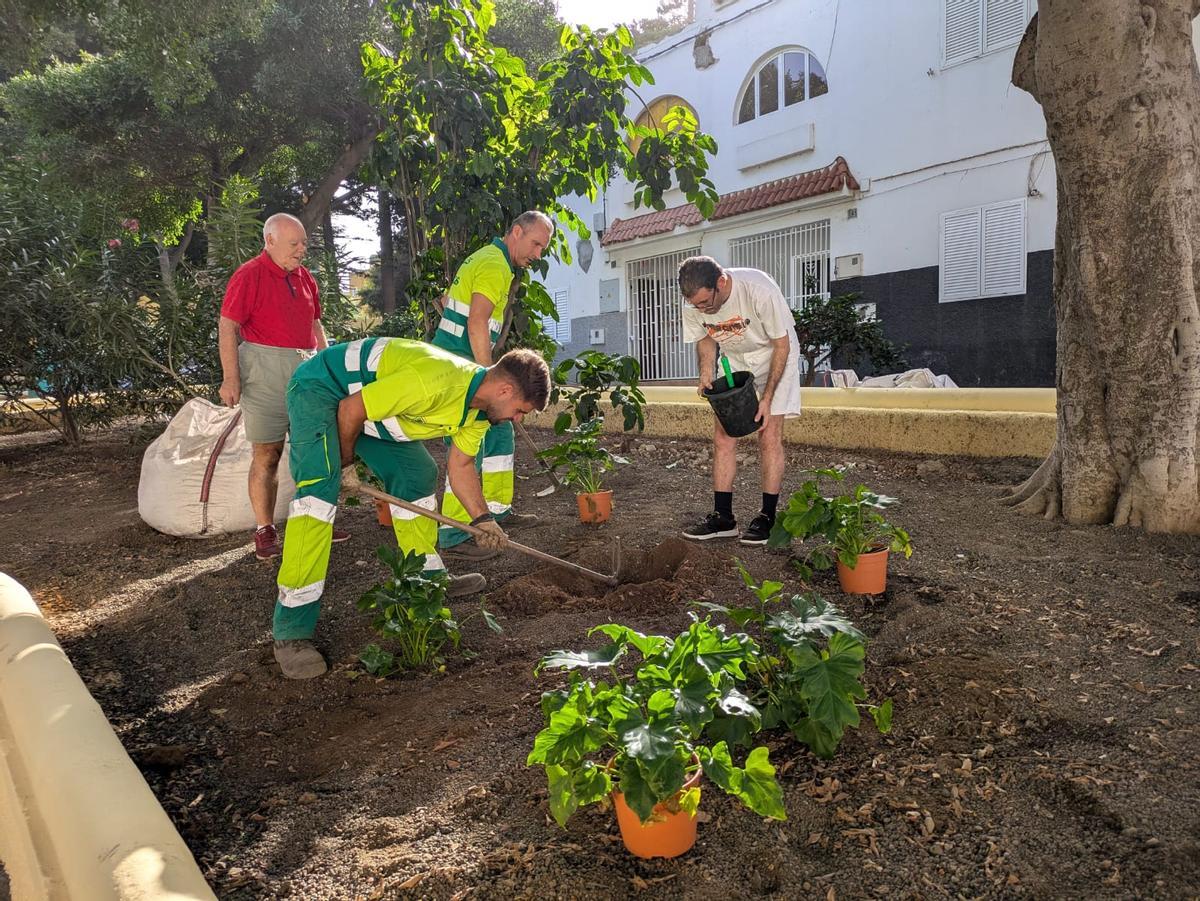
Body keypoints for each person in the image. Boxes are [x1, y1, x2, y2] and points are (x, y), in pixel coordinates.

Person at [272, 338, 551, 679]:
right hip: (322, 390)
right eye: (521, 410)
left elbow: (461, 467)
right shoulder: (434, 380)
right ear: (506, 390)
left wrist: (483, 520)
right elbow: (349, 410)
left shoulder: (480, 412)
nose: (516, 419)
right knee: (318, 494)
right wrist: (345, 464)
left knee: (417, 474)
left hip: (369, 409)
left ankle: (427, 582)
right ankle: (291, 631)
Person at [218, 212, 348, 560]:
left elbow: (316, 325)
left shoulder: (305, 278)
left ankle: (317, 520)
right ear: (270, 241)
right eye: (295, 243)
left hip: (307, 369)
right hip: (263, 369)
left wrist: (330, 366)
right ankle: (265, 530)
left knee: (313, 449)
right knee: (267, 453)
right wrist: (231, 378)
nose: (302, 249)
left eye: (304, 242)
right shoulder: (249, 275)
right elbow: (228, 326)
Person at [431, 210, 555, 560]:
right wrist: (489, 376)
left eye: (543, 248)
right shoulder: (494, 264)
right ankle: (457, 535)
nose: (538, 254)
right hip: (461, 368)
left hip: (464, 361)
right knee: (468, 449)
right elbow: (477, 322)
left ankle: (498, 512)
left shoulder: (495, 261)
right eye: (535, 244)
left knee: (500, 434)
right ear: (516, 232)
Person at [677, 255, 802, 546]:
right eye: (695, 305)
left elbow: (781, 344)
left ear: (721, 283)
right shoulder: (695, 302)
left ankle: (767, 518)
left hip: (775, 354)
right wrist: (706, 371)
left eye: (706, 303)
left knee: (768, 433)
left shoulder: (758, 290)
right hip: (734, 359)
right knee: (723, 435)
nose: (701, 309)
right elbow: (705, 337)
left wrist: (767, 398)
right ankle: (723, 519)